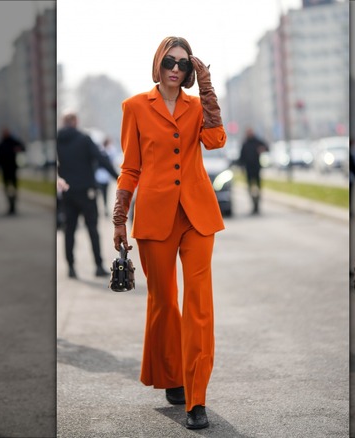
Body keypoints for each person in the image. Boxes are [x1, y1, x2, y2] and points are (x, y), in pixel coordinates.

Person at [113, 36, 226, 430]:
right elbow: (130, 168)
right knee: (164, 302)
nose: (176, 69)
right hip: (154, 218)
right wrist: (118, 218)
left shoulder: (198, 106)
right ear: (158, 64)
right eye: (169, 62)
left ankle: (197, 399)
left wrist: (208, 88)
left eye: (184, 64)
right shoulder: (134, 107)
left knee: (198, 306)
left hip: (197, 216)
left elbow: (215, 141)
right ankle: (171, 374)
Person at [57, 113, 119, 279]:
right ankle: (98, 266)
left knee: (69, 230)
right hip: (86, 191)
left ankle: (71, 267)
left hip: (67, 192)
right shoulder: (84, 139)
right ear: (75, 122)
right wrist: (119, 178)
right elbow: (101, 159)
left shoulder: (58, 140)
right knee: (92, 228)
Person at [0, 127, 25, 215]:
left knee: (14, 189)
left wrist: (18, 149)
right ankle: (10, 205)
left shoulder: (13, 141)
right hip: (4, 170)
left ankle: (13, 205)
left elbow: (23, 147)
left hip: (12, 169)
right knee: (7, 189)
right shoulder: (1, 143)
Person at [238, 128, 268, 214]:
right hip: (248, 169)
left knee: (258, 188)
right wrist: (241, 167)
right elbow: (241, 157)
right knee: (250, 188)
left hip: (257, 168)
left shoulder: (258, 141)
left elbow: (267, 147)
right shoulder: (245, 143)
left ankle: (257, 204)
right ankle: (253, 204)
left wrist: (262, 149)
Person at [94, 137, 118, 217]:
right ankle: (103, 209)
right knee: (102, 194)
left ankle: (103, 209)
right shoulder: (103, 153)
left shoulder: (106, 152)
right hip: (101, 176)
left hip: (102, 177)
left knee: (102, 194)